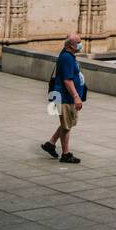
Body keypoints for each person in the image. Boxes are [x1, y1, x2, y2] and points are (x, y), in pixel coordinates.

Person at [41, 33, 84, 164]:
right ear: (71, 45)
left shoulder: (69, 55)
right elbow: (67, 80)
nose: (81, 45)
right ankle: (66, 155)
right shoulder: (66, 58)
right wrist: (76, 97)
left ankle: (51, 144)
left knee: (67, 123)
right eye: (78, 42)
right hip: (65, 97)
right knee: (66, 126)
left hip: (66, 97)